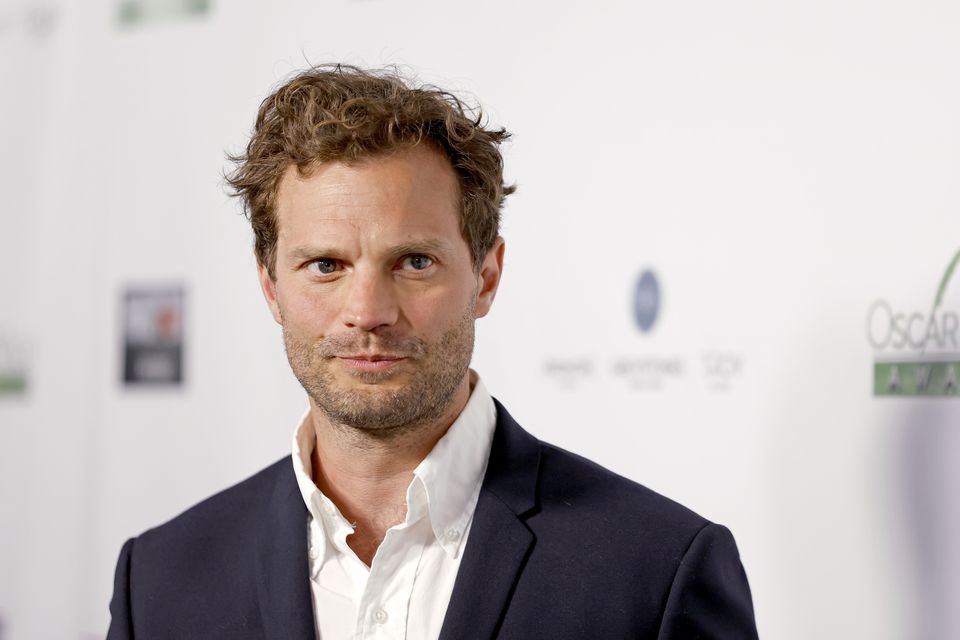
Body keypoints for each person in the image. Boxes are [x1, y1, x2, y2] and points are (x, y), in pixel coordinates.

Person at [107, 64, 759, 639]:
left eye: (414, 262)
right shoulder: (161, 580)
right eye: (326, 265)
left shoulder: (656, 572)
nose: (368, 312)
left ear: (487, 276)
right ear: (270, 286)